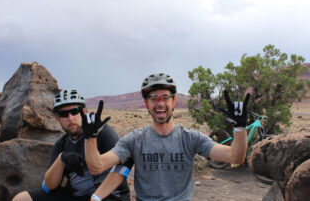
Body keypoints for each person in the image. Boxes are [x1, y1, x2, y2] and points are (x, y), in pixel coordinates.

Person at [83, 73, 249, 201]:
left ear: (174, 101)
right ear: (147, 104)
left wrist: (240, 128)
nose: (160, 103)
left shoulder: (191, 138)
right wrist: (89, 137)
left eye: (165, 98)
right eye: (154, 99)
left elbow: (235, 156)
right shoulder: (134, 139)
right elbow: (97, 166)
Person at [12, 89, 133, 201]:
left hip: (109, 196)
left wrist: (96, 197)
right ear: (58, 118)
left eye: (75, 111)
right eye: (64, 114)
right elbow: (47, 187)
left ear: (84, 111)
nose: (70, 118)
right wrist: (61, 158)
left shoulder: (103, 133)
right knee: (22, 198)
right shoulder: (61, 144)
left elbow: (124, 167)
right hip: (76, 195)